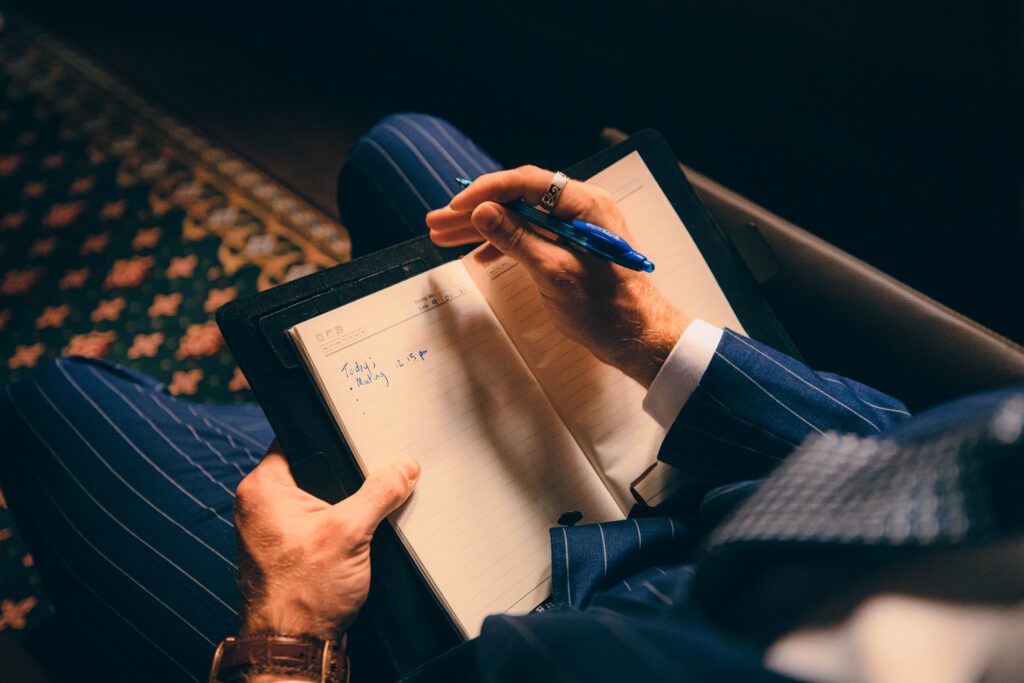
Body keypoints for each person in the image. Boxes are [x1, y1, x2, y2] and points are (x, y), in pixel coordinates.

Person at [2, 113, 1023, 683]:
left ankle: (274, 442)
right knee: (413, 157)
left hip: (473, 637)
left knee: (56, 404)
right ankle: (296, 424)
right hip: (718, 489)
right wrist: (661, 342)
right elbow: (897, 454)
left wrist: (288, 634)